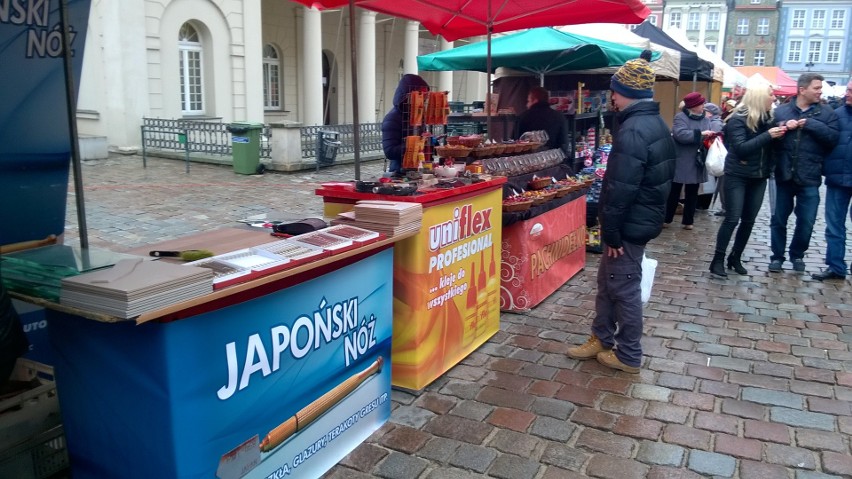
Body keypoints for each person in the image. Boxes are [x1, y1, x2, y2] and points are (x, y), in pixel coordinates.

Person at [566, 51, 676, 374]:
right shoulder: (652, 123)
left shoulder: (634, 130)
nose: (611, 96)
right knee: (608, 284)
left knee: (624, 289)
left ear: (625, 91)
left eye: (614, 90)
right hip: (637, 222)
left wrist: (611, 232)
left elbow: (620, 189)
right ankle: (601, 337)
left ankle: (628, 353)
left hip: (628, 227)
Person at [709, 83, 785, 277]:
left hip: (759, 176)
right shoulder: (737, 120)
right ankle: (717, 260)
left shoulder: (770, 119)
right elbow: (742, 148)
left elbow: (771, 148)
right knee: (732, 218)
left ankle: (735, 257)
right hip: (738, 175)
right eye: (771, 94)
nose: (774, 98)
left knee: (749, 220)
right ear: (760, 97)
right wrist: (768, 136)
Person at [769, 73, 839, 273]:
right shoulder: (781, 111)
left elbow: (833, 138)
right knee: (779, 219)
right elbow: (769, 134)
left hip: (810, 175)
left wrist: (810, 124)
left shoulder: (827, 113)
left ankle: (797, 254)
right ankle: (777, 256)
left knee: (807, 221)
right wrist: (782, 127)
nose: (820, 91)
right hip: (783, 174)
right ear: (802, 89)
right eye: (816, 88)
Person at [813, 79, 852, 281]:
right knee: (835, 225)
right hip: (837, 178)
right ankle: (836, 266)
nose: (848, 94)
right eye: (848, 90)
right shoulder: (836, 115)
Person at [665, 92, 723, 229]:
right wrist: (700, 134)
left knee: (693, 192)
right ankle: (667, 218)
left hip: (697, 159)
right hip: (681, 158)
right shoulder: (681, 117)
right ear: (694, 106)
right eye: (701, 104)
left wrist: (710, 138)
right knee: (674, 190)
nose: (704, 106)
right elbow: (680, 134)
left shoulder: (705, 120)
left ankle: (688, 221)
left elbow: (707, 134)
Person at [381, 74, 429, 174]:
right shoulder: (392, 118)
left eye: (424, 99)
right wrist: (415, 144)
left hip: (419, 169)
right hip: (399, 172)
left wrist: (430, 142)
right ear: (407, 97)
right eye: (420, 98)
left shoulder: (418, 116)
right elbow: (390, 152)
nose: (422, 102)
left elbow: (423, 140)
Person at [515, 86, 569, 154]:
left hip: (529, 160)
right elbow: (564, 143)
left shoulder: (523, 117)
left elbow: (516, 144)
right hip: (553, 159)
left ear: (535, 100)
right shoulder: (559, 117)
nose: (527, 105)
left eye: (528, 101)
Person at [704, 103, 727, 216]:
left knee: (721, 184)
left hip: (717, 157)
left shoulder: (715, 124)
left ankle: (725, 208)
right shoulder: (714, 122)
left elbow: (714, 140)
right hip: (717, 157)